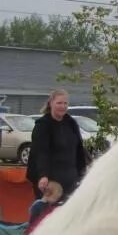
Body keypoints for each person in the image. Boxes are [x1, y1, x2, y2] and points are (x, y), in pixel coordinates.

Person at [26, 89, 88, 226]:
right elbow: (40, 152)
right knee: (45, 219)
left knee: (69, 218)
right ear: (51, 103)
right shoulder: (43, 125)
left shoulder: (71, 123)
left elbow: (79, 149)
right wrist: (43, 175)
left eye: (65, 103)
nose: (63, 106)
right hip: (50, 181)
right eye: (59, 103)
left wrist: (84, 172)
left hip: (70, 178)